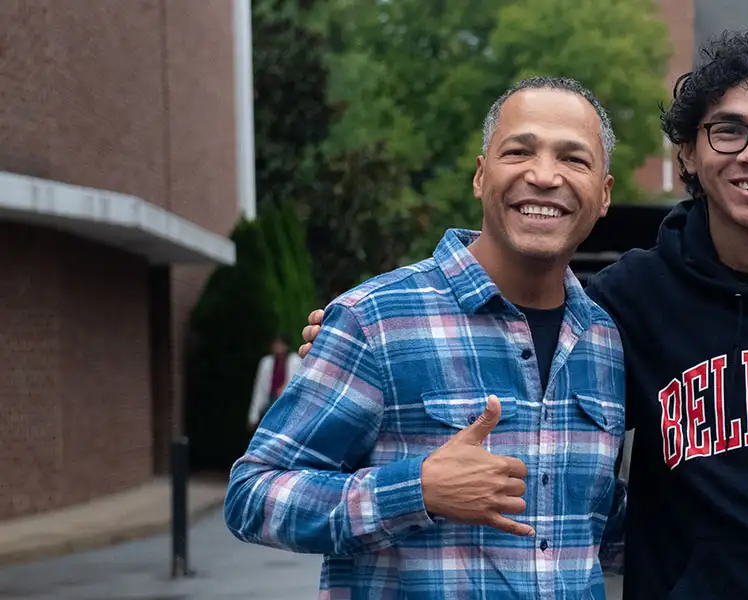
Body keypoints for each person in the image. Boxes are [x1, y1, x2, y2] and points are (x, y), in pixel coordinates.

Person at [300, 31, 748, 600]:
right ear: (687, 158)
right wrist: (369, 337)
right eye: (727, 129)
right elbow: (519, 358)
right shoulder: (625, 299)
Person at [225, 76, 626, 600]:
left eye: (574, 159)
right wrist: (416, 491)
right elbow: (251, 496)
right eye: (518, 151)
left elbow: (599, 525)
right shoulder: (375, 319)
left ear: (603, 195)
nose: (544, 175)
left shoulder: (603, 342)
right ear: (481, 176)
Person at [247, 335, 303, 429]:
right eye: (275, 344)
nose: (277, 347)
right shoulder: (266, 362)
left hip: (287, 402)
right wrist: (253, 415)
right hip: (270, 402)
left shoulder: (295, 360)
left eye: (280, 344)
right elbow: (259, 389)